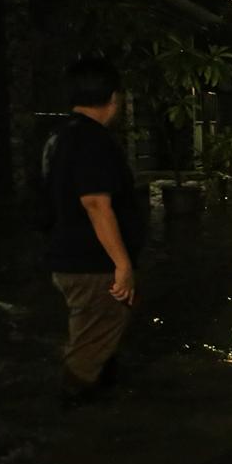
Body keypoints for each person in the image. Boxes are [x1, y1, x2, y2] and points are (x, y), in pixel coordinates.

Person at [43, 57, 145, 404]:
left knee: (95, 335)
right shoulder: (92, 140)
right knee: (90, 346)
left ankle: (101, 403)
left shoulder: (59, 135)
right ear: (113, 98)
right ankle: (75, 426)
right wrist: (122, 264)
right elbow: (96, 204)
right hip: (91, 264)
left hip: (69, 256)